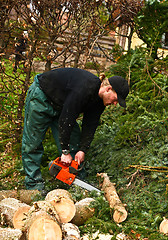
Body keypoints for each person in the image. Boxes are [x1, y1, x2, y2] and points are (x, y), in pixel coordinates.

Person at [22, 68, 129, 190]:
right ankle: (34, 186)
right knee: (32, 143)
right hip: (42, 96)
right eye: (116, 99)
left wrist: (82, 149)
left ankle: (78, 184)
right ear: (108, 89)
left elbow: (90, 125)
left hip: (62, 107)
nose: (115, 103)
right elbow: (67, 119)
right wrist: (65, 152)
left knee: (74, 142)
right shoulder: (84, 88)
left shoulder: (100, 102)